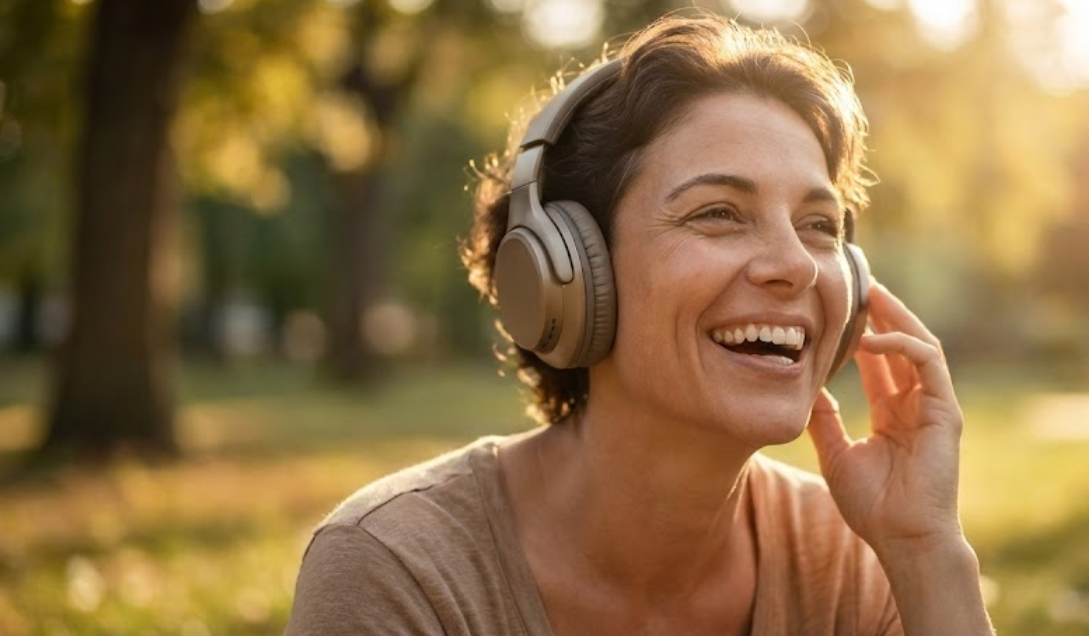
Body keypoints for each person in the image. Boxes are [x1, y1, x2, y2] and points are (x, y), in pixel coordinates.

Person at [286, 12, 993, 636]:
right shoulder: (396, 571)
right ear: (568, 271)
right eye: (717, 213)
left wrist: (927, 552)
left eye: (819, 225)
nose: (797, 267)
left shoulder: (856, 558)